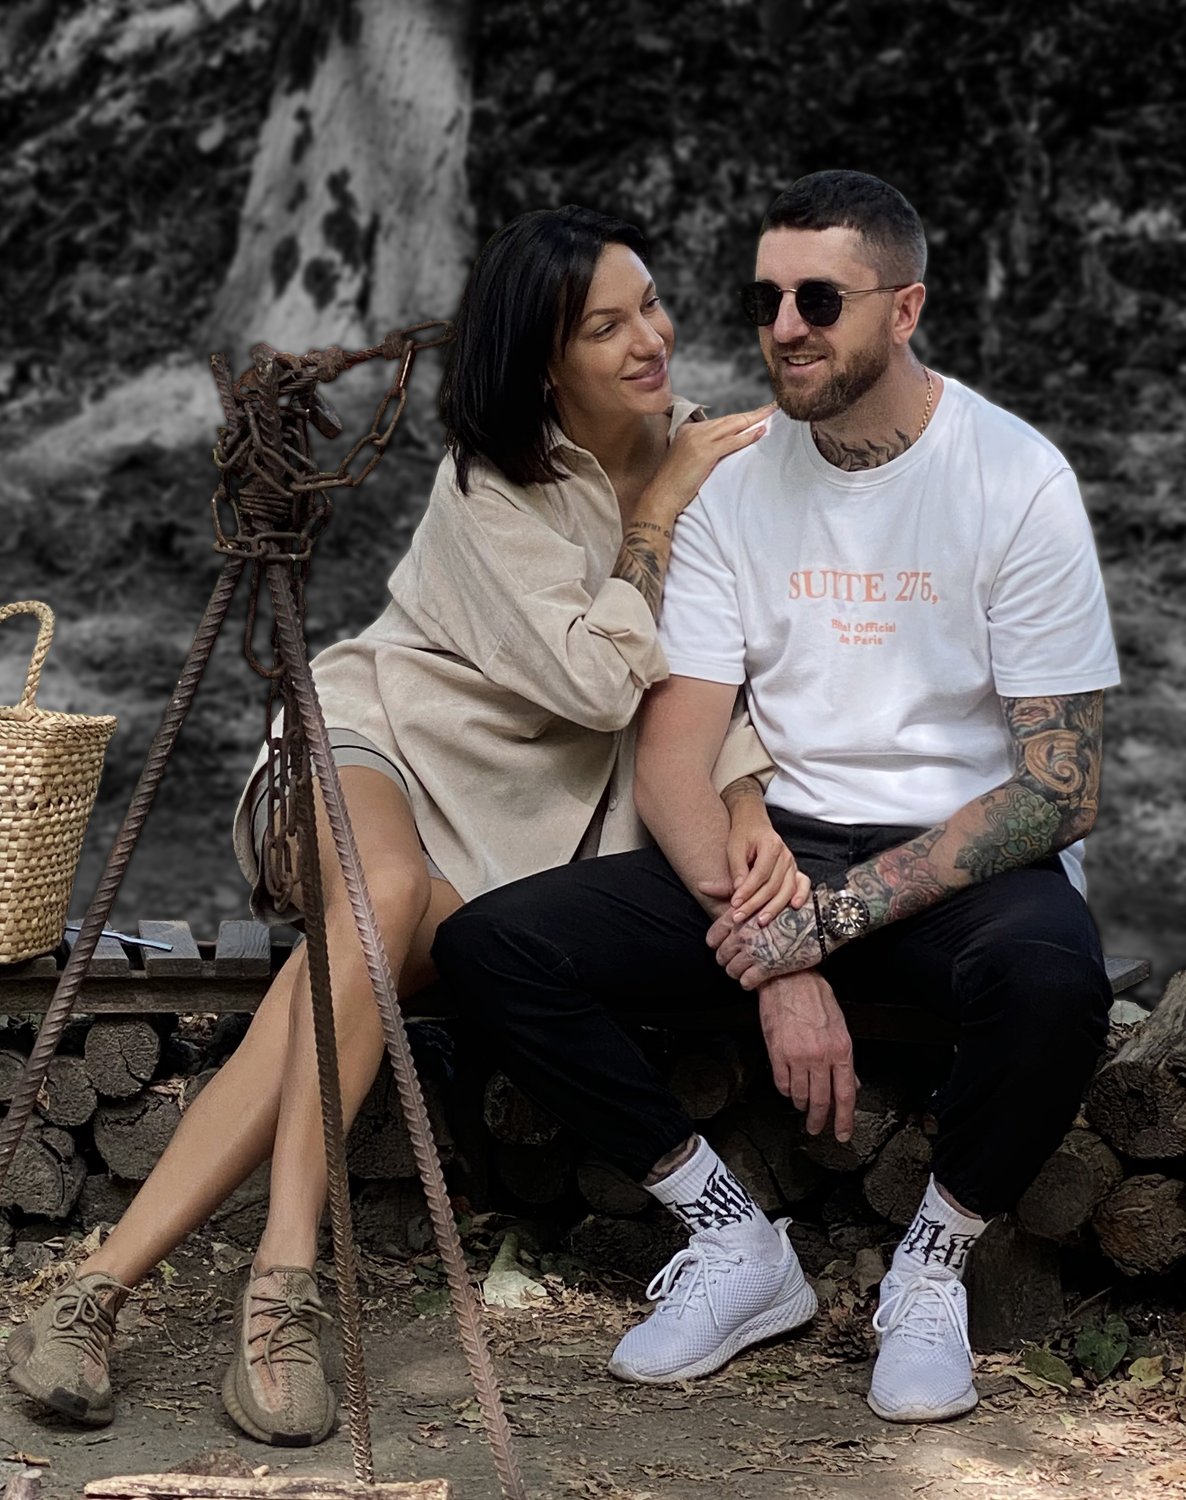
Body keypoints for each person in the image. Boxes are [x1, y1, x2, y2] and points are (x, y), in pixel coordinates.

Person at [5, 206, 789, 1445]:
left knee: (358, 953)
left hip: (505, 840)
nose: (651, 337)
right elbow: (598, 682)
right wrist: (654, 516)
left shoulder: (717, 463)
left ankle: (92, 1290)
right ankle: (284, 1287)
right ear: (544, 363)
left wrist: (741, 793)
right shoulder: (492, 483)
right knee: (377, 894)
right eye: (606, 325)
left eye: (649, 303)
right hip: (372, 741)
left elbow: (713, 678)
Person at [432, 170, 1120, 1423]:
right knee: (493, 946)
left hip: (962, 861)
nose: (784, 327)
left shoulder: (1014, 480)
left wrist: (822, 927)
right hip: (777, 849)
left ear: (903, 308)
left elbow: (1057, 792)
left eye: (818, 299)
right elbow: (672, 757)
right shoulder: (734, 484)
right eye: (765, 299)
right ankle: (734, 1241)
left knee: (1053, 982)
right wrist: (775, 948)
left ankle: (930, 1266)